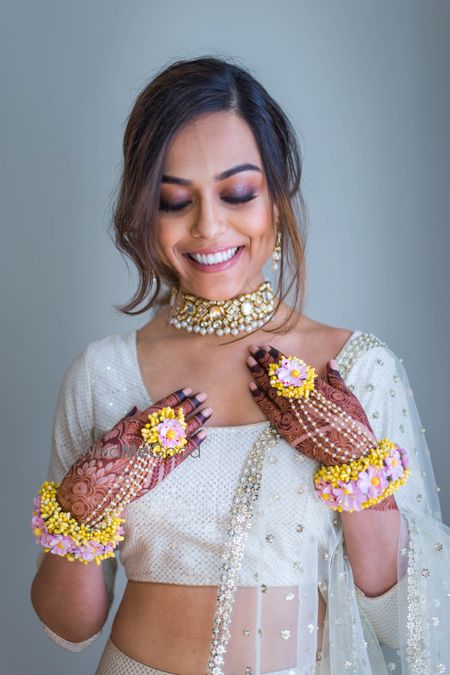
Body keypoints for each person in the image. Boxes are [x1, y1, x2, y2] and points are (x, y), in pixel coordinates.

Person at [30, 56, 449, 675]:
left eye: (238, 193)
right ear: (147, 213)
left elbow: (407, 623)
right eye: (176, 201)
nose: (208, 226)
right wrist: (84, 506)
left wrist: (358, 471)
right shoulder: (103, 375)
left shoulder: (358, 368)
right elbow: (68, 627)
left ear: (276, 199)